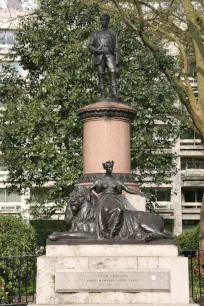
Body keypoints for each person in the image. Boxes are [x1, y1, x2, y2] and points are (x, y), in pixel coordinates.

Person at [88, 161, 146, 238]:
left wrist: (139, 193)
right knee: (104, 209)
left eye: (111, 167)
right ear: (105, 168)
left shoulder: (116, 180)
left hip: (114, 198)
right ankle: (104, 231)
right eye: (109, 167)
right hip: (104, 198)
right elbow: (89, 188)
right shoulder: (100, 180)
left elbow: (128, 189)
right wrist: (88, 195)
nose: (110, 169)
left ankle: (113, 232)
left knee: (119, 209)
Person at [88, 13, 120, 98]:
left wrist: (117, 60)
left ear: (108, 21)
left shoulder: (113, 33)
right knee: (100, 74)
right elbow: (90, 45)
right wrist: (95, 50)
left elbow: (117, 47)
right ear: (100, 21)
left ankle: (114, 93)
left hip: (110, 56)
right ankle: (102, 94)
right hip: (99, 57)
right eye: (102, 20)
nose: (104, 22)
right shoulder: (95, 33)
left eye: (105, 20)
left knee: (113, 72)